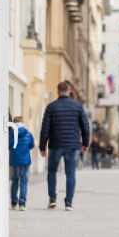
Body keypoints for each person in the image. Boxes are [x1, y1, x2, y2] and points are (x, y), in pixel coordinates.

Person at [39, 82, 90, 211]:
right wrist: (85, 143)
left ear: (57, 92)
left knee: (52, 171)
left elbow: (45, 128)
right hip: (73, 145)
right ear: (70, 91)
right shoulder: (78, 107)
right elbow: (85, 126)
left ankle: (52, 199)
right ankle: (68, 203)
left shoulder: (51, 107)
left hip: (55, 144)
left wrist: (42, 146)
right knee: (70, 173)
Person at [9, 116, 35, 211]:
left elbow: (8, 146)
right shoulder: (28, 134)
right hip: (25, 161)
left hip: (14, 161)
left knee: (14, 181)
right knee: (24, 182)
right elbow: (32, 145)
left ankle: (13, 202)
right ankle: (22, 203)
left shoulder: (11, 135)